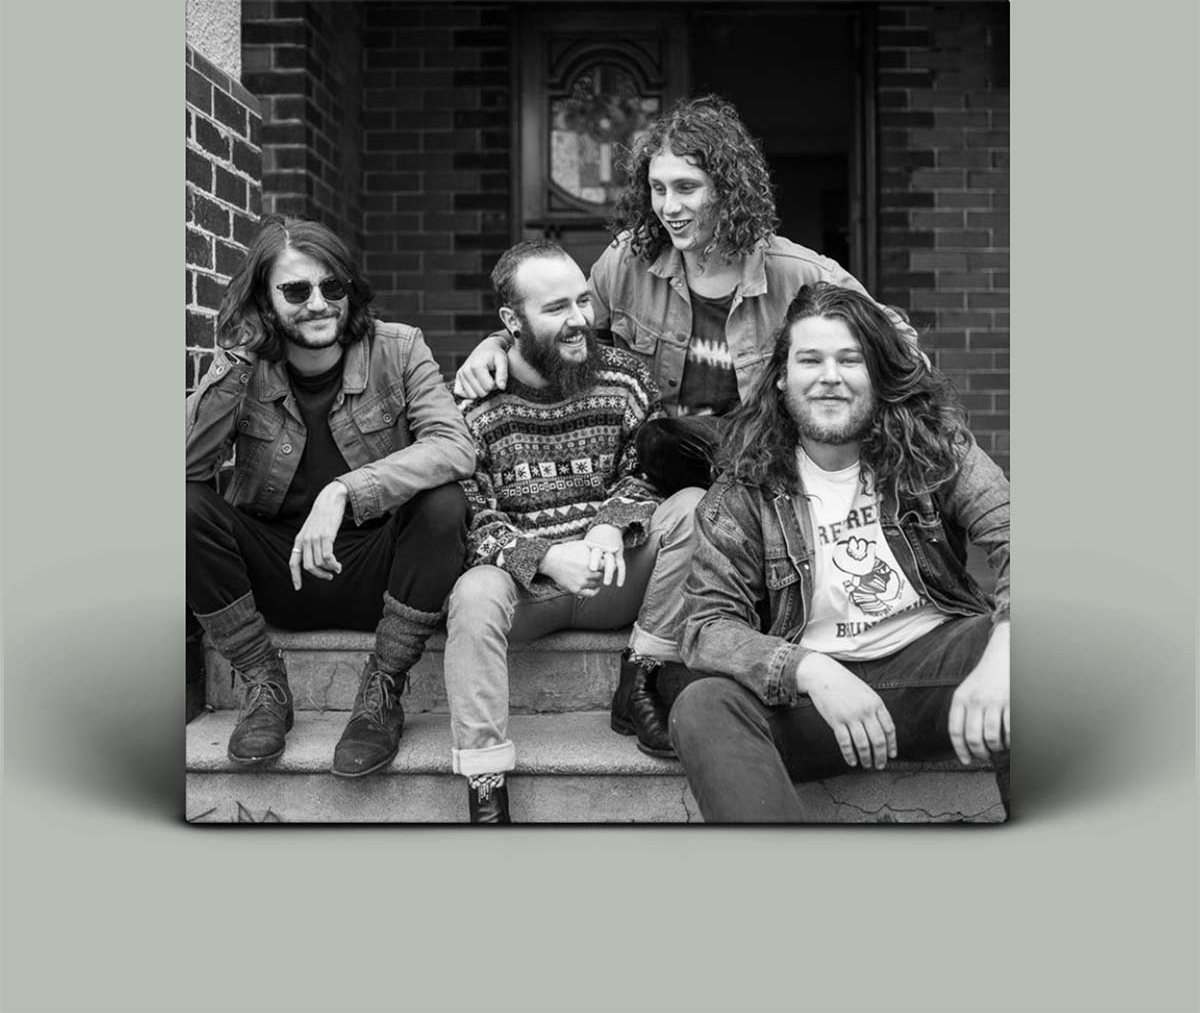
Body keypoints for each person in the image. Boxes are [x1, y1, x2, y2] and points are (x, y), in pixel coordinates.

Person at [668, 282, 1010, 822]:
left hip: (936, 675)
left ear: (877, 373)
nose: (830, 376)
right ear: (782, 378)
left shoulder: (934, 447)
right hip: (812, 705)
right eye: (811, 360)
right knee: (703, 705)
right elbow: (706, 626)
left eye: (850, 359)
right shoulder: (745, 488)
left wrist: (1005, 656)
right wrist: (809, 670)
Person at [455, 94, 915, 495]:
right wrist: (499, 342)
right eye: (658, 189)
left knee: (667, 442)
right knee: (659, 440)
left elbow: (901, 348)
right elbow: (567, 324)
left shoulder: (798, 272)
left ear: (728, 191)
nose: (669, 207)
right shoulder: (628, 261)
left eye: (686, 188)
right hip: (660, 469)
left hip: (768, 465)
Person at [186, 216, 475, 778]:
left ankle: (382, 690)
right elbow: (187, 467)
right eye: (296, 291)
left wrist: (345, 489)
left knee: (444, 501)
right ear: (264, 302)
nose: (318, 304)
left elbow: (454, 446)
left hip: (379, 575)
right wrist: (237, 361)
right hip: (276, 574)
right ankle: (263, 682)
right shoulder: (247, 368)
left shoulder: (399, 348)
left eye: (332, 286)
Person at [444, 240, 704, 823]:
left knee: (691, 506)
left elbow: (648, 473)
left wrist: (610, 527)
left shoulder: (626, 377)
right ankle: (485, 785)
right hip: (527, 596)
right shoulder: (472, 405)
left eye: (583, 300)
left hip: (613, 576)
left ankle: (641, 681)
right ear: (511, 321)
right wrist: (543, 557)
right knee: (473, 592)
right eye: (556, 307)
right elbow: (468, 519)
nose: (580, 319)